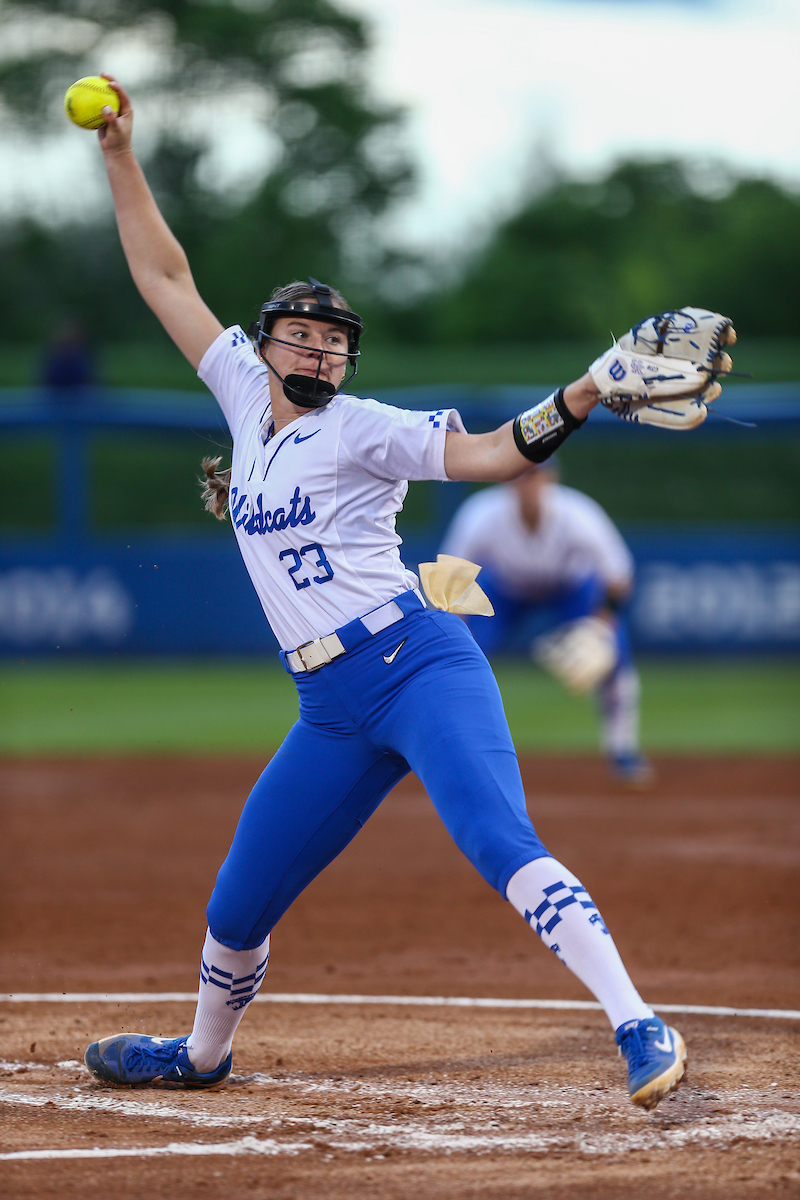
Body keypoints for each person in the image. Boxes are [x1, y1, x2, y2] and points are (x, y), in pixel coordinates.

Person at [82, 77, 686, 1112]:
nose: (320, 349)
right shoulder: (239, 394)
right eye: (302, 336)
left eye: (335, 340)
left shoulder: (359, 425)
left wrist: (581, 392)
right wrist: (118, 156)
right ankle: (202, 1053)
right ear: (264, 345)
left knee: (498, 840)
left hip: (415, 664)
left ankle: (637, 1021)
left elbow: (493, 453)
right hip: (326, 707)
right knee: (238, 901)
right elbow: (164, 274)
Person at [440, 460, 654, 786]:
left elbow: (619, 575)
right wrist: (456, 631)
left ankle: (622, 749)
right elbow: (450, 577)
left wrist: (601, 626)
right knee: (460, 656)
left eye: (537, 476)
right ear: (508, 480)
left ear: (552, 478)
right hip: (506, 590)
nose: (530, 485)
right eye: (523, 476)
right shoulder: (481, 514)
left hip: (570, 587)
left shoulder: (579, 514)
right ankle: (454, 748)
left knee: (614, 653)